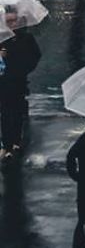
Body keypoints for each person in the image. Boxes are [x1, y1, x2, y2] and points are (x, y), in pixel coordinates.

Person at [0, 8, 41, 159]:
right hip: (3, 82)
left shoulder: (26, 38)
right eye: (8, 21)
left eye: (13, 21)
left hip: (18, 81)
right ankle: (7, 144)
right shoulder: (2, 39)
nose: (11, 24)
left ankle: (16, 141)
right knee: (5, 113)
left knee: (16, 112)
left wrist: (24, 69)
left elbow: (35, 56)